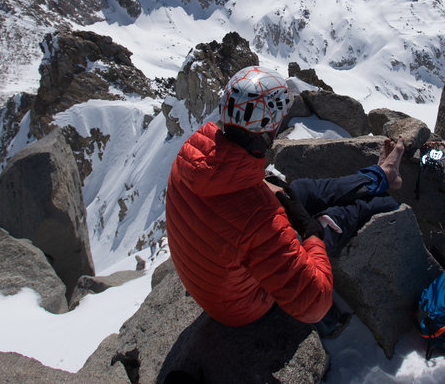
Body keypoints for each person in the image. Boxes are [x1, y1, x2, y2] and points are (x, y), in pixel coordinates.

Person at [165, 65, 405, 327]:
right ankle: (382, 202)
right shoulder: (259, 220)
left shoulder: (192, 154)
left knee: (299, 190)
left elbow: (223, 201)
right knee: (331, 219)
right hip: (245, 306)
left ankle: (379, 176)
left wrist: (267, 189)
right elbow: (315, 302)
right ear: (268, 128)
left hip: (218, 278)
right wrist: (312, 234)